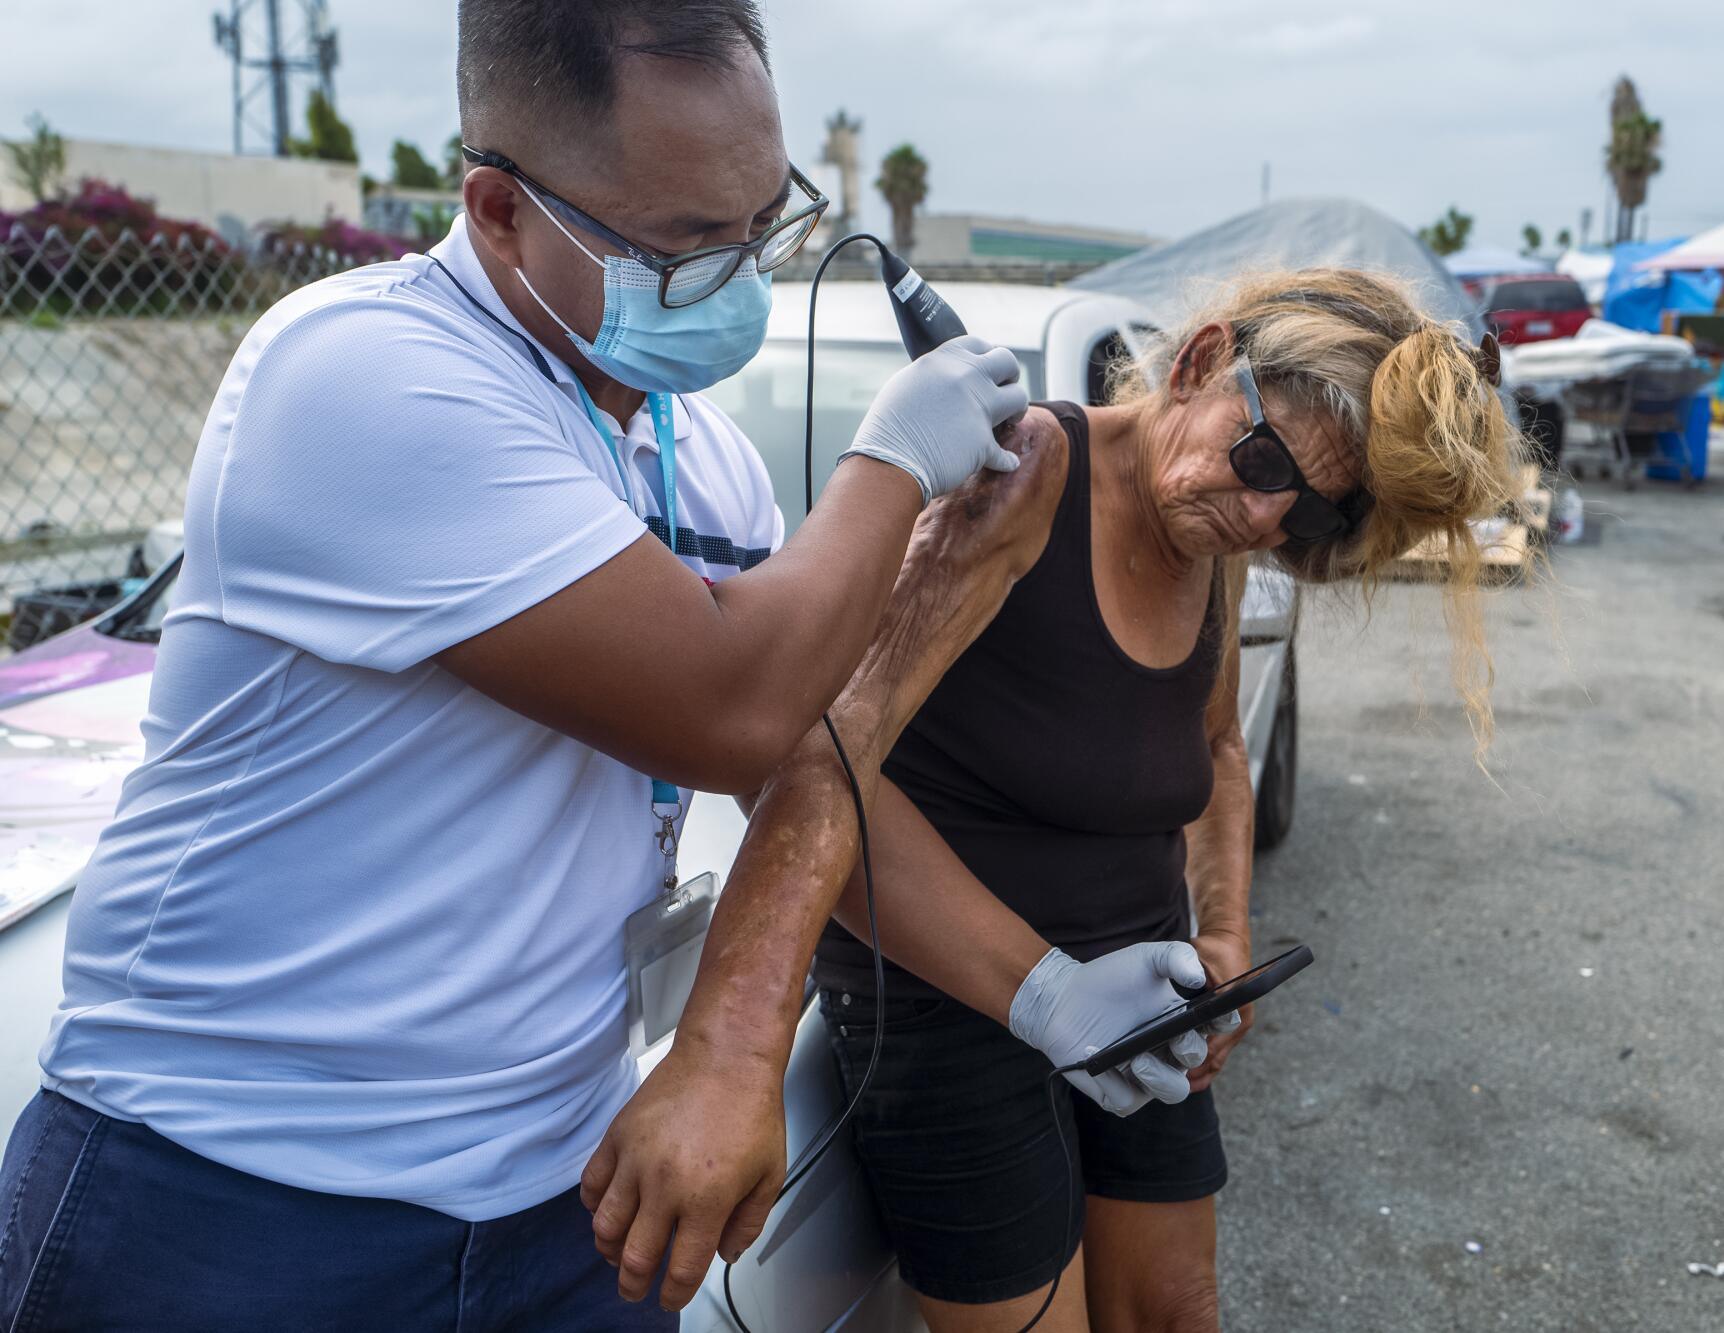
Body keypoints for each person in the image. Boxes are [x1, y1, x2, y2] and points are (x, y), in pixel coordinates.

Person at [0, 3, 1091, 1328]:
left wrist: (1045, 992)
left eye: (764, 223)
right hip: (236, 1204)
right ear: (500, 212)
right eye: (686, 244)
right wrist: (895, 469)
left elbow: (818, 774)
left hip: (560, 1196)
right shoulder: (366, 371)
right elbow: (736, 707)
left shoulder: (702, 454)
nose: (741, 277)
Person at [807, 268, 1524, 1332]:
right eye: (1261, 460)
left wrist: (1223, 932)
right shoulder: (1022, 476)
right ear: (1197, 362)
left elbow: (1218, 746)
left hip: (1138, 995)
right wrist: (1045, 994)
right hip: (949, 1000)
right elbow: (827, 761)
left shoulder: (1216, 535)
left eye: (1309, 509)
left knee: (1173, 1310)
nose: (1263, 515)